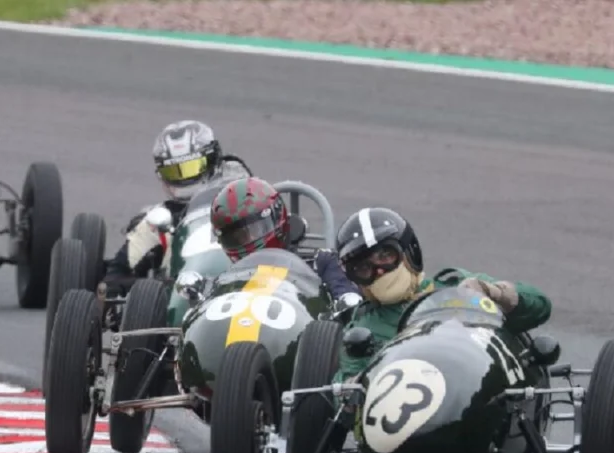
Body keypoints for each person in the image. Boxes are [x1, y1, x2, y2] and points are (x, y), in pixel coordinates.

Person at [332, 206, 552, 380]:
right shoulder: (363, 329)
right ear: (355, 278)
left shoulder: (459, 285)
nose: (379, 270)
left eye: (385, 256)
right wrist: (356, 385)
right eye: (364, 268)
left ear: (408, 251)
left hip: (482, 389)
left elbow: (540, 308)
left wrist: (495, 293)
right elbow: (345, 395)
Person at [101, 120, 253, 294]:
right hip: (183, 297)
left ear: (212, 161)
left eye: (191, 168)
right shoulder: (158, 221)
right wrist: (159, 288)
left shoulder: (244, 200)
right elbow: (113, 280)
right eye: (174, 172)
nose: (184, 179)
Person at [207, 176, 361, 301]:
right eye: (237, 238)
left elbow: (348, 300)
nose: (248, 241)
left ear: (277, 218)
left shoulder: (322, 264)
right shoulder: (224, 278)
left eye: (255, 230)